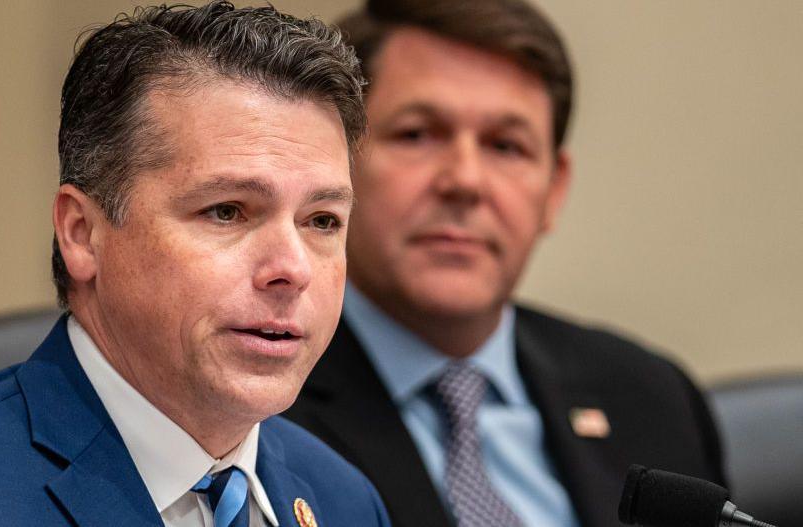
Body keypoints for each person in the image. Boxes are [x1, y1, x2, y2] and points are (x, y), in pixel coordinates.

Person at [0, 3, 391, 526]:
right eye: (226, 211)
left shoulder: (343, 498)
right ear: (82, 234)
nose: (292, 268)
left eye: (322, 221)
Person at [283, 1, 725, 526]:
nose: (465, 181)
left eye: (505, 146)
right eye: (417, 134)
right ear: (335, 167)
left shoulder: (649, 397)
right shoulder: (260, 402)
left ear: (554, 191)